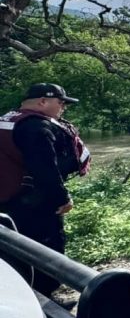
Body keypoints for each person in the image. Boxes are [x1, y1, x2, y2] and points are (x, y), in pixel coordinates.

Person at [0, 83, 90, 297]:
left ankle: (19, 295)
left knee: (13, 250)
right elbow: (45, 169)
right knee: (47, 250)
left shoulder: (7, 120)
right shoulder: (37, 127)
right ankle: (47, 302)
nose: (63, 108)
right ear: (43, 101)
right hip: (32, 203)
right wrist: (62, 198)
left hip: (7, 200)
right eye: (61, 103)